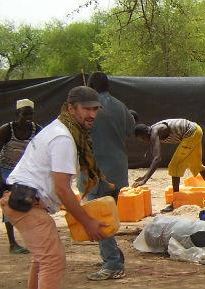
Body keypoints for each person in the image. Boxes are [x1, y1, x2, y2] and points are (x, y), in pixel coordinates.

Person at [0, 86, 109, 289]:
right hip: (26, 203)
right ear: (70, 107)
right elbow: (62, 188)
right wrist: (87, 222)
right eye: (86, 109)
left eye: (95, 109)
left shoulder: (60, 129)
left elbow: (60, 188)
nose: (92, 114)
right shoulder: (63, 138)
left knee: (43, 258)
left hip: (25, 200)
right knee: (53, 260)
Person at [76, 72, 135, 281]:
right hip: (118, 171)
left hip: (96, 172)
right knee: (107, 216)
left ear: (90, 86)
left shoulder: (86, 110)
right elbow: (131, 129)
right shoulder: (121, 106)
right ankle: (112, 255)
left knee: (98, 218)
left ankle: (112, 263)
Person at [132, 118, 205, 211]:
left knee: (174, 166)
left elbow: (157, 158)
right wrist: (144, 176)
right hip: (196, 130)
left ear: (145, 133)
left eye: (142, 139)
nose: (144, 141)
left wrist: (145, 179)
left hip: (191, 133)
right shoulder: (152, 131)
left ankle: (176, 203)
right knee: (196, 164)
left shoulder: (154, 132)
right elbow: (154, 156)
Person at [0, 99, 42, 255]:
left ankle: (32, 239)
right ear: (17, 114)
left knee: (30, 202)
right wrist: (1, 179)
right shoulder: (6, 130)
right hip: (7, 169)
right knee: (9, 202)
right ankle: (12, 243)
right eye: (24, 113)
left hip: (25, 170)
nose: (28, 116)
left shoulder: (37, 129)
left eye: (30, 113)